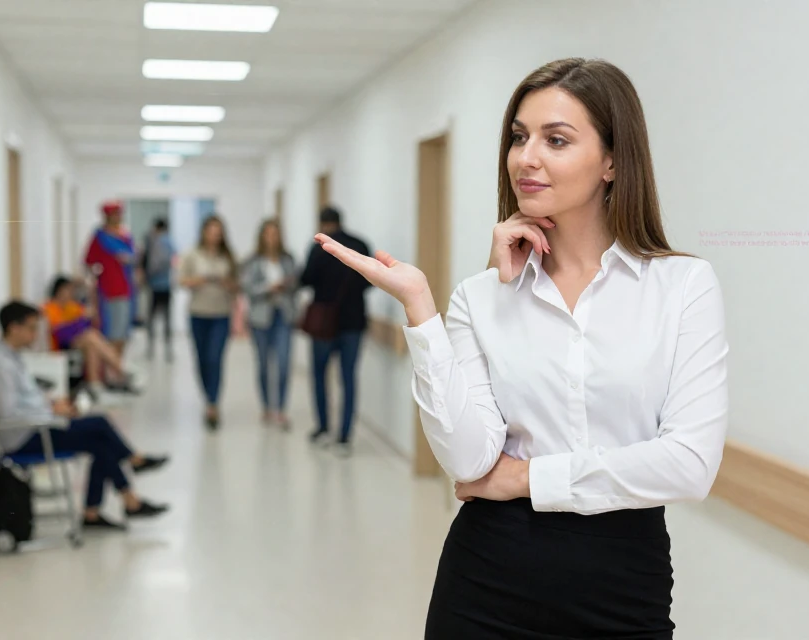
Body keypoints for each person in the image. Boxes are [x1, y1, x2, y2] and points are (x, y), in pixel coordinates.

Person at [313, 58, 728, 638]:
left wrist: (524, 479)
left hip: (624, 587)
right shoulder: (481, 296)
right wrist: (421, 309)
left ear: (612, 161)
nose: (525, 158)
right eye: (518, 137)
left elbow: (689, 465)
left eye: (555, 140)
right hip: (486, 583)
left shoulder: (682, 286)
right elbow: (468, 461)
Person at [0, 301, 171, 531]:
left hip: (38, 425)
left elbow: (24, 400)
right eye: (31, 328)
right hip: (24, 437)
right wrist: (50, 411)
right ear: (13, 328)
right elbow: (5, 414)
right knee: (99, 426)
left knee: (100, 442)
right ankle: (133, 467)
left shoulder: (12, 357)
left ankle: (108, 507)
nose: (35, 334)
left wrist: (52, 404)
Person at [299, 206, 372, 457]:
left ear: (322, 223)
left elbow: (306, 279)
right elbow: (370, 281)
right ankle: (344, 436)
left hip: (324, 325)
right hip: (353, 322)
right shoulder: (360, 245)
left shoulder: (319, 248)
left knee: (320, 375)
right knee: (348, 378)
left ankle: (323, 428)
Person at [179, 215, 239, 430]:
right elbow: (181, 280)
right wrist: (200, 280)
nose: (214, 236)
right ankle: (207, 396)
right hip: (198, 313)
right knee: (202, 359)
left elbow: (238, 285)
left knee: (215, 358)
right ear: (204, 232)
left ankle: (213, 403)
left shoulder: (228, 257)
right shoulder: (192, 255)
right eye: (211, 231)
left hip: (221, 314)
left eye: (218, 232)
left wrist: (226, 283)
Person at [240, 218, 297, 429]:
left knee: (283, 364)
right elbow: (247, 288)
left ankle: (281, 408)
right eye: (268, 234)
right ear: (262, 236)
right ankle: (266, 405)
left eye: (276, 234)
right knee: (263, 364)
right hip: (261, 318)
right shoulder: (253, 261)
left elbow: (296, 285)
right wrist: (268, 288)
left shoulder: (288, 260)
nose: (272, 238)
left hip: (283, 316)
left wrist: (286, 285)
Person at [42, 275, 137, 398]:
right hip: (59, 346)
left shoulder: (72, 307)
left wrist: (87, 316)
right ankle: (121, 367)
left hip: (77, 343)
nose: (70, 293)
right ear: (59, 290)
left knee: (91, 343)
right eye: (68, 290)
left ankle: (95, 385)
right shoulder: (49, 308)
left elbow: (89, 324)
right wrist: (80, 321)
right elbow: (60, 333)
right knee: (90, 337)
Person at [83, 200, 137, 382]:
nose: (118, 217)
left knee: (123, 334)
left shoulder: (125, 236)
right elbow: (89, 262)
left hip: (127, 289)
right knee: (111, 333)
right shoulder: (100, 238)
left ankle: (117, 367)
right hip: (108, 291)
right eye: (115, 214)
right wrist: (97, 275)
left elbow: (134, 257)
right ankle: (110, 372)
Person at [140, 218, 176, 362]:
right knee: (167, 318)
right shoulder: (170, 242)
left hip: (156, 285)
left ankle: (151, 347)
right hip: (166, 285)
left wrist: (147, 274)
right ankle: (168, 349)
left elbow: (155, 263)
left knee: (152, 317)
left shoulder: (157, 242)